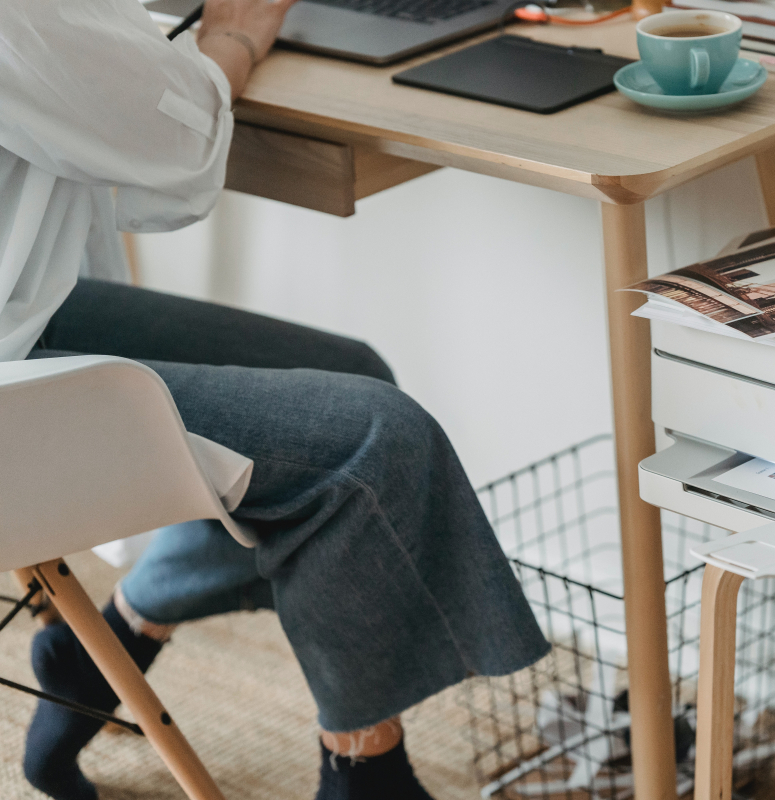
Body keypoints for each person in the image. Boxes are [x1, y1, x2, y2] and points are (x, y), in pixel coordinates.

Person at [0, 0, 551, 798]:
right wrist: (236, 33)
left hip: (21, 314)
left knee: (350, 373)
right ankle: (366, 771)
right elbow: (175, 143)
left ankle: (106, 645)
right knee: (372, 442)